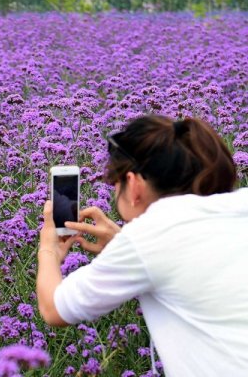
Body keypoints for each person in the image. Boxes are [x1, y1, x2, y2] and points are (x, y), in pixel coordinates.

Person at [36, 115, 248, 376]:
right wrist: (122, 242)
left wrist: (48, 248)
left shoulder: (150, 236)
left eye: (115, 183)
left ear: (134, 185)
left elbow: (53, 309)